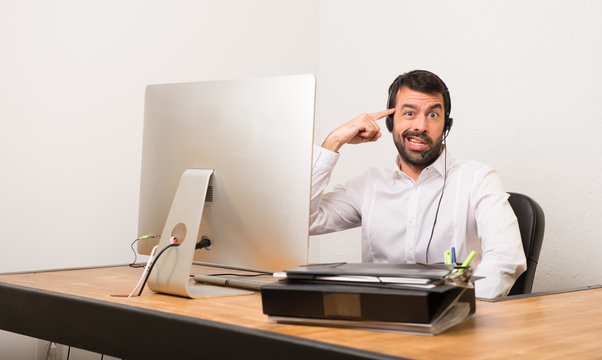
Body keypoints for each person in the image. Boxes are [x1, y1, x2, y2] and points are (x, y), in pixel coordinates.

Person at [310, 70, 526, 299]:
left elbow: (506, 258)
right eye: (409, 113)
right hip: (382, 321)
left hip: (454, 322)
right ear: (391, 123)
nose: (421, 126)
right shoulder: (368, 185)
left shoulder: (478, 179)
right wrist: (334, 141)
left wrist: (456, 309)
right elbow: (306, 221)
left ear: (446, 126)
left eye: (433, 115)